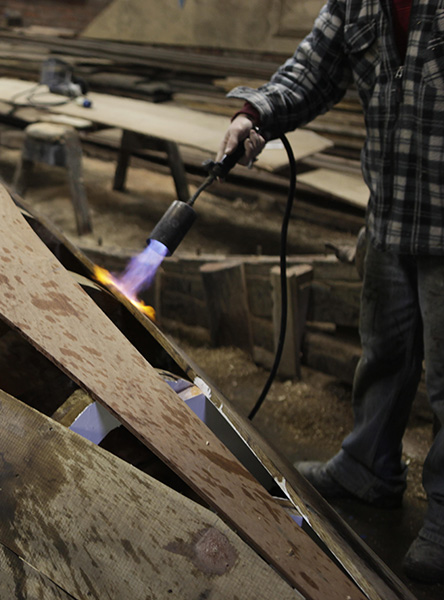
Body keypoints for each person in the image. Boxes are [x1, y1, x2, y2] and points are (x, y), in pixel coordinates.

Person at [219, 0, 444, 584]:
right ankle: (369, 467)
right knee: (385, 352)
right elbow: (312, 68)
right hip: (392, 214)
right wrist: (255, 113)